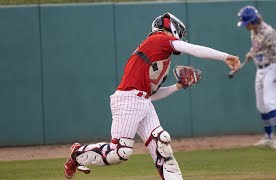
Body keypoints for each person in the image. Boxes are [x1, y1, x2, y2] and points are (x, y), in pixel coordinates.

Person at [64, 12, 240, 179]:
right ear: (170, 27)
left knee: (161, 145)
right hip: (128, 99)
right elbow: (192, 49)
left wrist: (177, 87)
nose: (180, 36)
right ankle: (78, 153)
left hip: (141, 101)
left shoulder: (158, 54)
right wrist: (225, 57)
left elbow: (150, 96)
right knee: (119, 153)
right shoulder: (159, 39)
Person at [237, 6, 276, 150]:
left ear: (252, 21)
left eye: (246, 23)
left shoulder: (269, 32)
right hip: (260, 69)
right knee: (261, 105)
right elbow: (259, 46)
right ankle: (268, 137)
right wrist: (251, 53)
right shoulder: (253, 31)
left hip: (272, 67)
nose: (245, 26)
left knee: (269, 102)